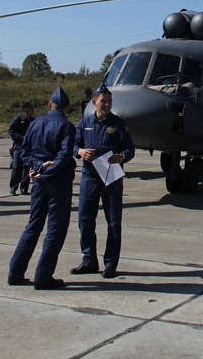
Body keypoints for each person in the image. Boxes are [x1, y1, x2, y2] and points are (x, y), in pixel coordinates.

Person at [8, 86, 77, 290]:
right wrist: (48, 170)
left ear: (49, 104)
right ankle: (43, 276)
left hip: (38, 181)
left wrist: (38, 167)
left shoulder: (35, 123)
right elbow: (65, 157)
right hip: (58, 183)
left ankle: (15, 272)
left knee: (33, 225)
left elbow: (24, 152)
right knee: (55, 229)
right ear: (68, 106)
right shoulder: (67, 127)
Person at [70, 86, 135, 279]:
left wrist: (121, 157)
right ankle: (88, 260)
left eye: (109, 101)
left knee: (113, 222)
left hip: (111, 177)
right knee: (85, 219)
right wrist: (80, 152)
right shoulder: (84, 123)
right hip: (89, 177)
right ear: (94, 102)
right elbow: (73, 145)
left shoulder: (119, 124)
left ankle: (110, 264)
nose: (107, 105)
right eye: (103, 101)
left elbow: (130, 150)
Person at [8, 101, 36, 195]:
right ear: (25, 109)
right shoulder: (18, 119)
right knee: (16, 167)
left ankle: (24, 188)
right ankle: (13, 187)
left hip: (29, 148)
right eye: (30, 108)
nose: (32, 110)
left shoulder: (33, 120)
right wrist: (21, 137)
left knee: (27, 168)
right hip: (18, 147)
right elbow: (11, 131)